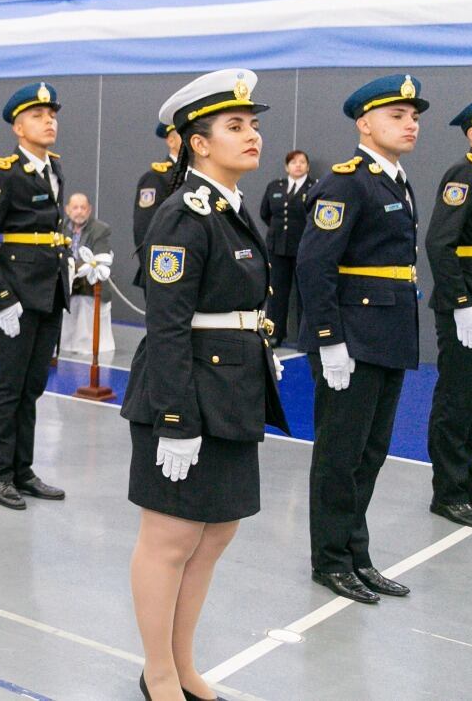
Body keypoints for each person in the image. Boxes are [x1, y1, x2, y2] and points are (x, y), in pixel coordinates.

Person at [123, 68, 288, 701]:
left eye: (254, 125)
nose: (252, 136)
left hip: (232, 387)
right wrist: (173, 418)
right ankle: (158, 672)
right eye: (235, 126)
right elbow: (165, 327)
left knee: (215, 532)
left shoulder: (229, 207)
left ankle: (183, 664)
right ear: (197, 141)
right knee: (169, 538)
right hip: (186, 391)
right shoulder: (182, 215)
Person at [297, 74, 425, 604]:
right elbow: (314, 262)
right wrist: (328, 339)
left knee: (370, 453)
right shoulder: (347, 181)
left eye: (414, 116)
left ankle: (356, 554)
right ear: (365, 123)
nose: (410, 123)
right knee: (339, 455)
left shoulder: (395, 180)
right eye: (397, 115)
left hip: (388, 334)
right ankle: (330, 560)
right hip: (352, 338)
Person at [0, 83, 70, 510]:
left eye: (52, 114)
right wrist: (2, 298)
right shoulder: (3, 173)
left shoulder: (54, 168)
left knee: (32, 386)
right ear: (18, 126)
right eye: (37, 115)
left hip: (50, 291)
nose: (49, 121)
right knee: (7, 386)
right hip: (18, 295)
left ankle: (23, 469)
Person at [423, 97, 472, 529]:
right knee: (458, 399)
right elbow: (440, 244)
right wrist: (461, 302)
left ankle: (471, 483)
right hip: (468, 303)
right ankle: (449, 491)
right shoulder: (464, 175)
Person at [259, 150, 314, 347]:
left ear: (307, 166)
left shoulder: (314, 187)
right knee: (277, 292)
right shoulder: (276, 186)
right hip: (278, 247)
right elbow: (265, 213)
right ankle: (275, 332)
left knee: (303, 293)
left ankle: (303, 336)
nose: (297, 165)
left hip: (303, 247)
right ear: (286, 167)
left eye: (302, 162)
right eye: (293, 162)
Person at [59, 192, 115, 356]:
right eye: (75, 207)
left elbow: (99, 259)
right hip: (66, 281)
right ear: (67, 210)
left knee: (83, 293)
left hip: (89, 283)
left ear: (89, 210)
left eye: (83, 207)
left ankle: (85, 344)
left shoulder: (100, 230)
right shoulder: (60, 229)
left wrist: (72, 269)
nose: (79, 211)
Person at [132, 123, 182, 289]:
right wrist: (156, 272)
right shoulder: (156, 178)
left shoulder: (198, 177)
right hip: (166, 271)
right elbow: (144, 229)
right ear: (171, 141)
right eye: (185, 134)